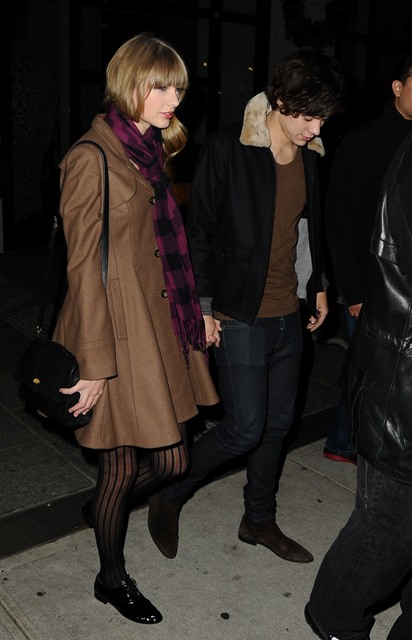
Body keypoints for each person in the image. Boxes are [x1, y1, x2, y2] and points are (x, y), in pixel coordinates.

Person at [147, 48, 346, 564]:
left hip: (288, 311)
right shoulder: (228, 149)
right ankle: (169, 490)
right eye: (307, 116)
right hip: (237, 311)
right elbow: (197, 232)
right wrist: (204, 306)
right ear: (279, 102)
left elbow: (307, 226)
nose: (315, 128)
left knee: (279, 425)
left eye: (322, 118)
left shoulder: (310, 154)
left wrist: (318, 285)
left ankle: (258, 519)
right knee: (243, 428)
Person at [52, 33, 218, 624]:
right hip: (114, 332)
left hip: (156, 325)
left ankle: (107, 503)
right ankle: (111, 577)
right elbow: (82, 270)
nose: (174, 99)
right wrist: (95, 366)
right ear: (129, 84)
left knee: (173, 460)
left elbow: (164, 246)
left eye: (178, 88)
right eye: (161, 87)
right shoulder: (90, 157)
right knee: (122, 464)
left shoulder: (150, 151)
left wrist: (197, 308)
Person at [305, 128, 412, 640]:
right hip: (402, 385)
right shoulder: (380, 146)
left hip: (394, 365)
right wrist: (344, 292)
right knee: (385, 530)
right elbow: (340, 222)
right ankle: (334, 618)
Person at [323, 54, 412, 464]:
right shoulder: (365, 141)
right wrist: (354, 290)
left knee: (390, 372)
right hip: (369, 282)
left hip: (402, 279)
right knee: (368, 370)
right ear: (397, 87)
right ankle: (344, 442)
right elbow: (339, 220)